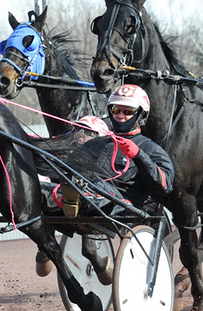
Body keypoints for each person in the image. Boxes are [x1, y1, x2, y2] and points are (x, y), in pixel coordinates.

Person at [59, 84, 175, 218]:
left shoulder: (150, 148)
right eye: (116, 110)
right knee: (40, 190)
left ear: (141, 114)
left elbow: (165, 185)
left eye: (127, 112)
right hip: (87, 193)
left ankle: (76, 196)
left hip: (122, 204)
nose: (120, 115)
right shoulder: (96, 143)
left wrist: (138, 155)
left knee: (92, 184)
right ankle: (72, 198)